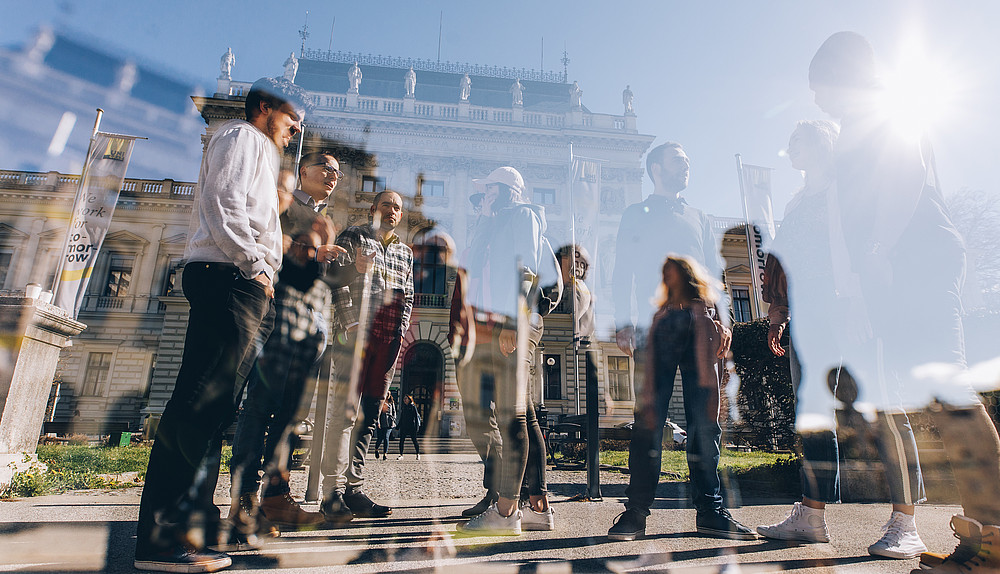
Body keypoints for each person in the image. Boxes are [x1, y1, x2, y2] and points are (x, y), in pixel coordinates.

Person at [808, 32, 1000, 574]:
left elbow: (906, 177)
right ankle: (982, 537)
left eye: (821, 86)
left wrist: (878, 250)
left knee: (950, 395)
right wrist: (857, 288)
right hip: (891, 269)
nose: (819, 100)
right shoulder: (853, 131)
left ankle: (996, 539)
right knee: (934, 400)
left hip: (917, 261)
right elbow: (852, 217)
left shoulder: (886, 110)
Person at [133, 77, 309, 573]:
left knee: (211, 412)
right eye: (291, 117)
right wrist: (254, 263)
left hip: (240, 279)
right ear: (264, 108)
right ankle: (160, 541)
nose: (296, 129)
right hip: (229, 276)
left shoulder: (258, 149)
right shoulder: (241, 137)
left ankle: (181, 534)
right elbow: (223, 201)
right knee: (197, 407)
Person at [754, 121, 927, 558]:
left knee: (880, 406)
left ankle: (906, 521)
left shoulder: (848, 191)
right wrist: (778, 310)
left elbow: (863, 247)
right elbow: (783, 262)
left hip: (851, 309)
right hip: (809, 316)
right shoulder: (796, 201)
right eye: (789, 138)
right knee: (812, 414)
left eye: (800, 138)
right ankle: (812, 516)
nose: (790, 145)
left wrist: (858, 302)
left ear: (823, 143)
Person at [607, 142, 750, 541]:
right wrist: (623, 322)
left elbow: (712, 276)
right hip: (655, 327)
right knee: (647, 422)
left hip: (701, 328)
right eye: (678, 161)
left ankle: (711, 512)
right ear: (656, 167)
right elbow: (622, 272)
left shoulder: (699, 217)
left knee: (706, 423)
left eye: (688, 161)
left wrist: (724, 321)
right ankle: (635, 513)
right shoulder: (635, 214)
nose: (686, 167)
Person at [227, 151, 346, 536]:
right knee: (260, 405)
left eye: (337, 172)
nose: (333, 175)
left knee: (292, 412)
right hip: (278, 316)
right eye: (325, 167)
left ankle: (276, 496)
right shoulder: (282, 202)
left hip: (313, 323)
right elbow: (265, 242)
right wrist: (314, 250)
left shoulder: (326, 218)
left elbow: (317, 274)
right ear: (304, 171)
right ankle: (243, 500)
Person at [457, 166, 560, 535]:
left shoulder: (522, 215)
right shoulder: (496, 223)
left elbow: (527, 269)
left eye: (488, 190)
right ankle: (538, 509)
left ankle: (504, 513)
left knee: (511, 415)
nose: (482, 197)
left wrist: (511, 321)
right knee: (526, 416)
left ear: (506, 191)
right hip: (499, 322)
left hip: (513, 321)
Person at [319, 190, 414, 522]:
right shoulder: (355, 236)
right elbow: (336, 281)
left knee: (370, 413)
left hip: (388, 340)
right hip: (356, 335)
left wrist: (401, 330)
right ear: (373, 209)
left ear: (401, 216)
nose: (391, 211)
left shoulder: (404, 252)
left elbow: (409, 293)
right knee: (345, 412)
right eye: (386, 205)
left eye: (397, 208)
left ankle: (354, 490)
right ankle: (330, 495)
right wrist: (349, 321)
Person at [396, 394, 422, 460]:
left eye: (406, 398)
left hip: (411, 427)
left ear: (409, 399)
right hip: (404, 426)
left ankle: (418, 454)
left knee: (414, 440)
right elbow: (402, 418)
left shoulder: (413, 407)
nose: (404, 400)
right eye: (404, 398)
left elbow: (416, 418)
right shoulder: (404, 407)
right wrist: (398, 426)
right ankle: (401, 454)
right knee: (401, 441)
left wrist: (416, 427)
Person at [373, 394, 396, 460]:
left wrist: (393, 419)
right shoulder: (380, 402)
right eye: (386, 394)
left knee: (386, 437)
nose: (387, 395)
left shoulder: (391, 403)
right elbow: (378, 413)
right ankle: (376, 449)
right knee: (380, 438)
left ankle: (385, 453)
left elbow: (394, 412)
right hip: (381, 423)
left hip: (389, 423)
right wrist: (378, 422)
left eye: (388, 394)